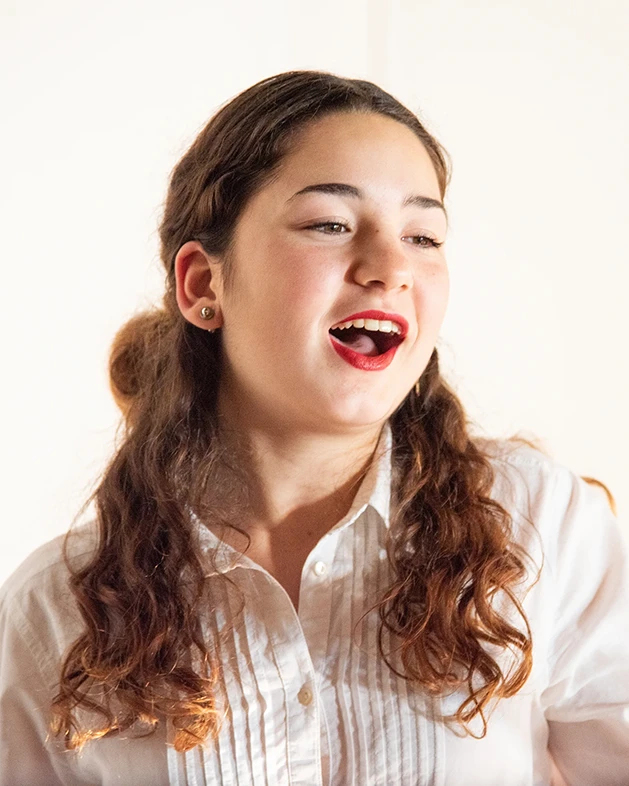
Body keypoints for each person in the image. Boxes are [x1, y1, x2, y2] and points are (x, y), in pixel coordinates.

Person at [0, 71, 627, 786]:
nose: (391, 268)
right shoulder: (55, 611)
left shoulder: (538, 525)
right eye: (329, 224)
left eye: (423, 235)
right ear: (203, 285)